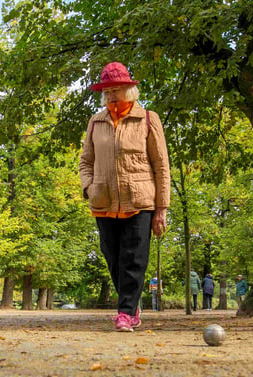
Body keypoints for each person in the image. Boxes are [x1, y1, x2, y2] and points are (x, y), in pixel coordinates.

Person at [79, 62, 170, 332]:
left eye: (116, 90)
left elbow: (161, 164)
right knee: (113, 257)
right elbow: (86, 161)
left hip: (140, 201)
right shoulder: (96, 122)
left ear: (130, 90)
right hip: (103, 201)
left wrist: (161, 208)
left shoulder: (148, 119)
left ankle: (126, 313)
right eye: (106, 91)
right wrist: (89, 188)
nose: (111, 96)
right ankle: (131, 303)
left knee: (134, 258)